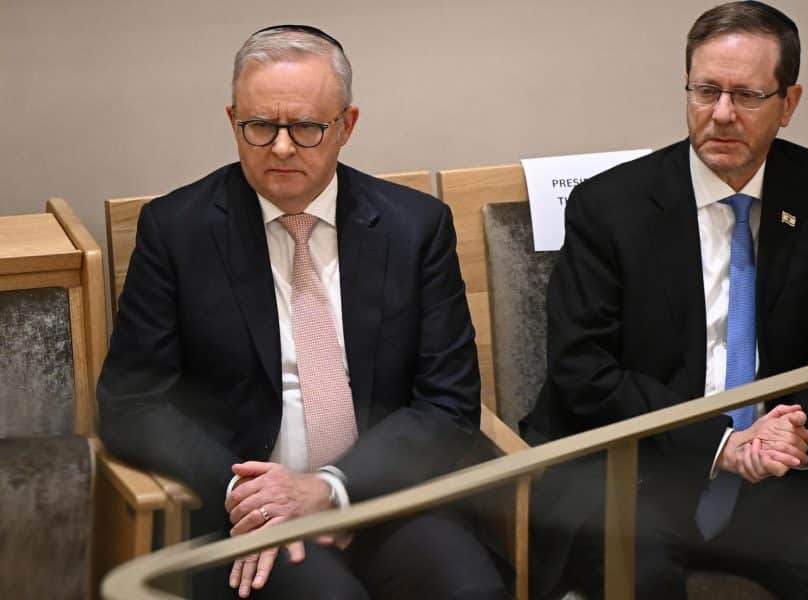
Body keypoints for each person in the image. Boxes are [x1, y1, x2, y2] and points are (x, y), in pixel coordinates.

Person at [98, 25, 508, 600]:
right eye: (260, 126)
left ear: (346, 125)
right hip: (249, 516)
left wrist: (330, 489)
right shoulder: (177, 231)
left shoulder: (415, 228)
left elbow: (448, 402)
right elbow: (131, 403)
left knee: (467, 589)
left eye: (307, 127)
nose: (282, 148)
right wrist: (250, 496)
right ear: (232, 120)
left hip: (383, 494)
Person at [520, 2, 808, 598]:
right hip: (635, 471)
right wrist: (721, 443)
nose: (721, 114)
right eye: (705, 91)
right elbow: (581, 370)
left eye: (746, 95)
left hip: (765, 482)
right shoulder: (609, 207)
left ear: (788, 104)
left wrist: (795, 435)